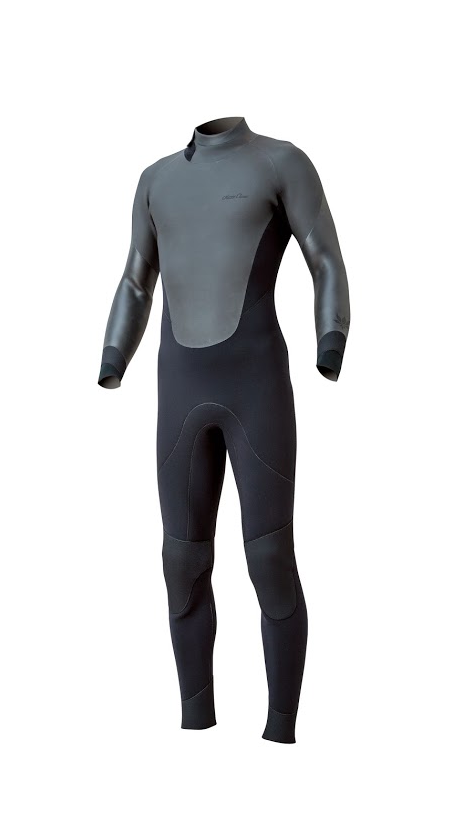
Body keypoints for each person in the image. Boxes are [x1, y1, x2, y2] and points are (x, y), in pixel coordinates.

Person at [97, 116, 351, 743]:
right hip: (179, 391)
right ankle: (197, 725)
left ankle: (281, 730)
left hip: (256, 387)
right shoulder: (155, 179)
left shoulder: (280, 161)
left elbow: (326, 259)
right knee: (180, 563)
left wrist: (331, 338)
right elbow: (135, 278)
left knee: (269, 558)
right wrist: (112, 355)